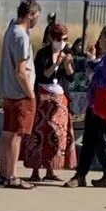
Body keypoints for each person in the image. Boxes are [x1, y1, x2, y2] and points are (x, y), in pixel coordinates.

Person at [68, 24, 106, 190]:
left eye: (101, 37)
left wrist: (92, 76)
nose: (99, 40)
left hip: (104, 105)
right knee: (90, 141)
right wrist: (93, 60)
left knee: (102, 141)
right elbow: (100, 68)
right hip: (96, 104)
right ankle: (82, 174)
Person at [21, 21, 76, 183]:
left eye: (65, 39)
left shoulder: (67, 51)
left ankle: (51, 168)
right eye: (59, 39)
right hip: (44, 97)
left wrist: (66, 65)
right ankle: (35, 169)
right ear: (52, 38)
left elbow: (71, 77)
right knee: (39, 134)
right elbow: (43, 75)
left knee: (56, 135)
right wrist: (56, 63)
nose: (62, 42)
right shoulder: (43, 53)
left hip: (60, 98)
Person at [0, 0, 41, 190]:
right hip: (19, 93)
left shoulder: (11, 29)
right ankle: (13, 175)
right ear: (30, 14)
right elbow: (21, 70)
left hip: (9, 91)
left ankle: (4, 172)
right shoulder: (21, 36)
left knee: (7, 134)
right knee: (16, 135)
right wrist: (30, 93)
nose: (37, 20)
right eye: (36, 16)